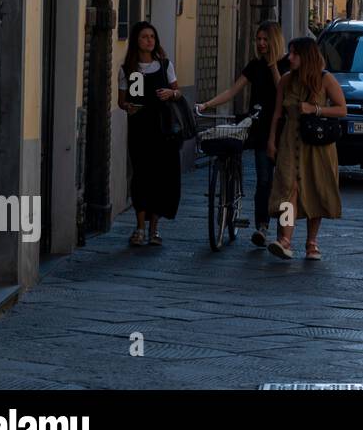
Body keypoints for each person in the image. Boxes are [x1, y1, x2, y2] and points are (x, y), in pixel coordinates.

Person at [196, 21, 287, 248]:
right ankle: (262, 227)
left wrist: (274, 65)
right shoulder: (254, 66)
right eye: (258, 39)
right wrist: (207, 104)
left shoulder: (286, 65)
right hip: (260, 130)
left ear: (274, 41)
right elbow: (232, 91)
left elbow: (282, 92)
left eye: (266, 39)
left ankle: (285, 235)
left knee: (286, 186)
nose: (261, 44)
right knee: (263, 181)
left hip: (285, 131)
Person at [266, 37, 348, 261]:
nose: (289, 58)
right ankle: (285, 240)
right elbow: (277, 114)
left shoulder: (325, 79)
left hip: (317, 145)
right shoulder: (285, 80)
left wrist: (315, 109)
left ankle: (312, 242)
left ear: (307, 56)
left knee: (316, 189)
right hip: (289, 142)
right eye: (290, 53)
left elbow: (342, 110)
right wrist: (271, 141)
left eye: (294, 54)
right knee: (286, 190)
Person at [117, 21, 184, 247]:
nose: (149, 40)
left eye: (152, 37)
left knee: (161, 178)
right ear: (137, 40)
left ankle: (155, 229)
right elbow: (128, 101)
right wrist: (128, 107)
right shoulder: (131, 70)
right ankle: (140, 227)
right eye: (145, 36)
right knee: (141, 176)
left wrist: (171, 93)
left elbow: (177, 91)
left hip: (164, 130)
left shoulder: (164, 66)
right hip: (141, 131)